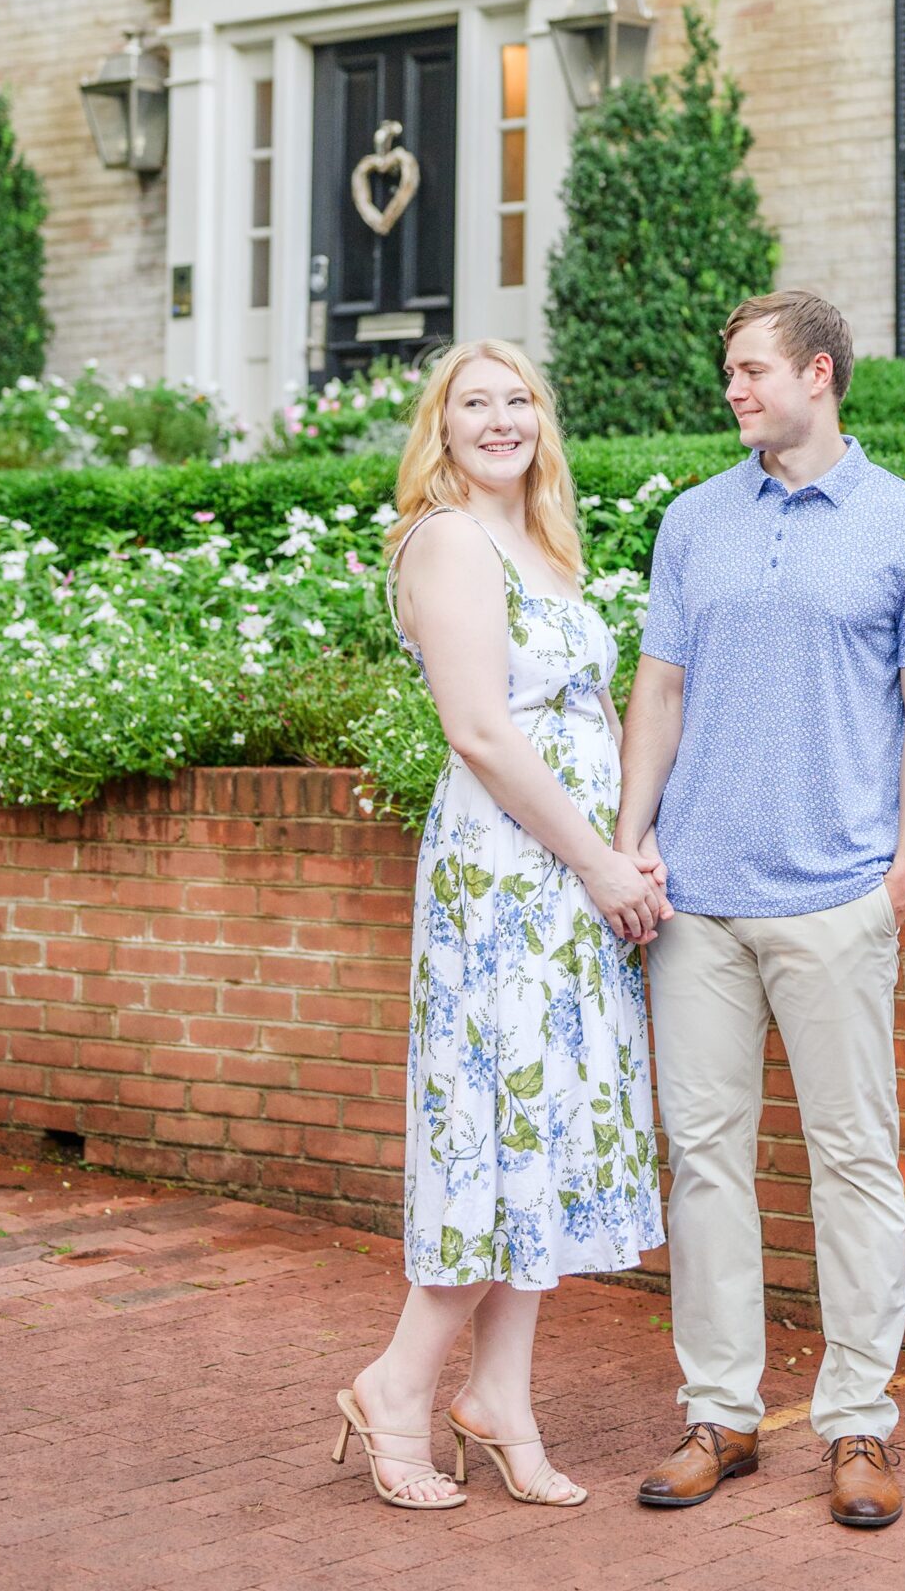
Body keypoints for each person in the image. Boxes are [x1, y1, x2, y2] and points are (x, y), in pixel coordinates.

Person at [617, 290, 905, 1531]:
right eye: (726, 371)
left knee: (852, 1163)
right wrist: (629, 843)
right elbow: (658, 691)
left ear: (819, 374)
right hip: (698, 905)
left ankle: (860, 1422)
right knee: (705, 1163)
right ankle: (719, 1412)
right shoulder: (692, 522)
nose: (733, 389)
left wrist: (904, 869)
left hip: (835, 896)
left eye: (752, 370)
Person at [333, 340, 666, 1515]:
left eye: (516, 397)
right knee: (495, 1124)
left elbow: (596, 717)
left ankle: (503, 1398)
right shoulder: (447, 541)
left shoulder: (545, 547)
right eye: (471, 402)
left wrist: (632, 843)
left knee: (549, 1132)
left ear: (542, 419)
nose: (498, 417)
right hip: (506, 881)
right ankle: (397, 1385)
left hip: (574, 877)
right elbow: (479, 729)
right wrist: (595, 862)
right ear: (440, 428)